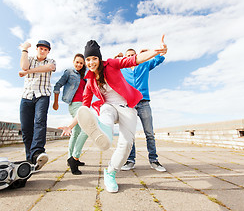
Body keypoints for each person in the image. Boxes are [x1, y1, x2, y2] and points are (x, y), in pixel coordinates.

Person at [58, 37, 167, 192]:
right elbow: (84, 108)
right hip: (108, 107)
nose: (90, 63)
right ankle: (105, 135)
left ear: (99, 58)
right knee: (106, 112)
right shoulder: (89, 82)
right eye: (88, 59)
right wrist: (70, 126)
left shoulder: (112, 64)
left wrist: (155, 51)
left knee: (127, 143)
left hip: (127, 107)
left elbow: (134, 60)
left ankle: (110, 172)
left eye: (94, 58)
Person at [119, 37, 167, 172]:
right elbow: (107, 70)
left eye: (132, 55)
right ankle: (130, 160)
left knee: (149, 133)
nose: (130, 57)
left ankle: (154, 160)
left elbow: (160, 57)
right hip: (129, 105)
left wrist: (159, 49)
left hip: (144, 103)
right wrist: (116, 58)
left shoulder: (144, 64)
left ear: (136, 56)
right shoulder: (122, 70)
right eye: (127, 56)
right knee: (130, 134)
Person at [19, 40, 56, 171]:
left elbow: (49, 68)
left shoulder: (51, 61)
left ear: (48, 52)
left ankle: (37, 152)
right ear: (37, 49)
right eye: (40, 48)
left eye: (45, 49)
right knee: (26, 128)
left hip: (42, 95)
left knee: (40, 122)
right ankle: (30, 160)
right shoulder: (29, 59)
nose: (43, 51)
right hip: (27, 96)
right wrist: (24, 49)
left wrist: (28, 72)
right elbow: (24, 66)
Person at [53, 53, 88, 175]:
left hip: (82, 105)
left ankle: (70, 158)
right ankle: (74, 158)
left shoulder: (85, 75)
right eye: (77, 62)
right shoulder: (69, 72)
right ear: (73, 62)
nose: (79, 64)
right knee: (86, 130)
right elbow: (58, 84)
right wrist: (56, 101)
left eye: (81, 63)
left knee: (77, 132)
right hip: (74, 105)